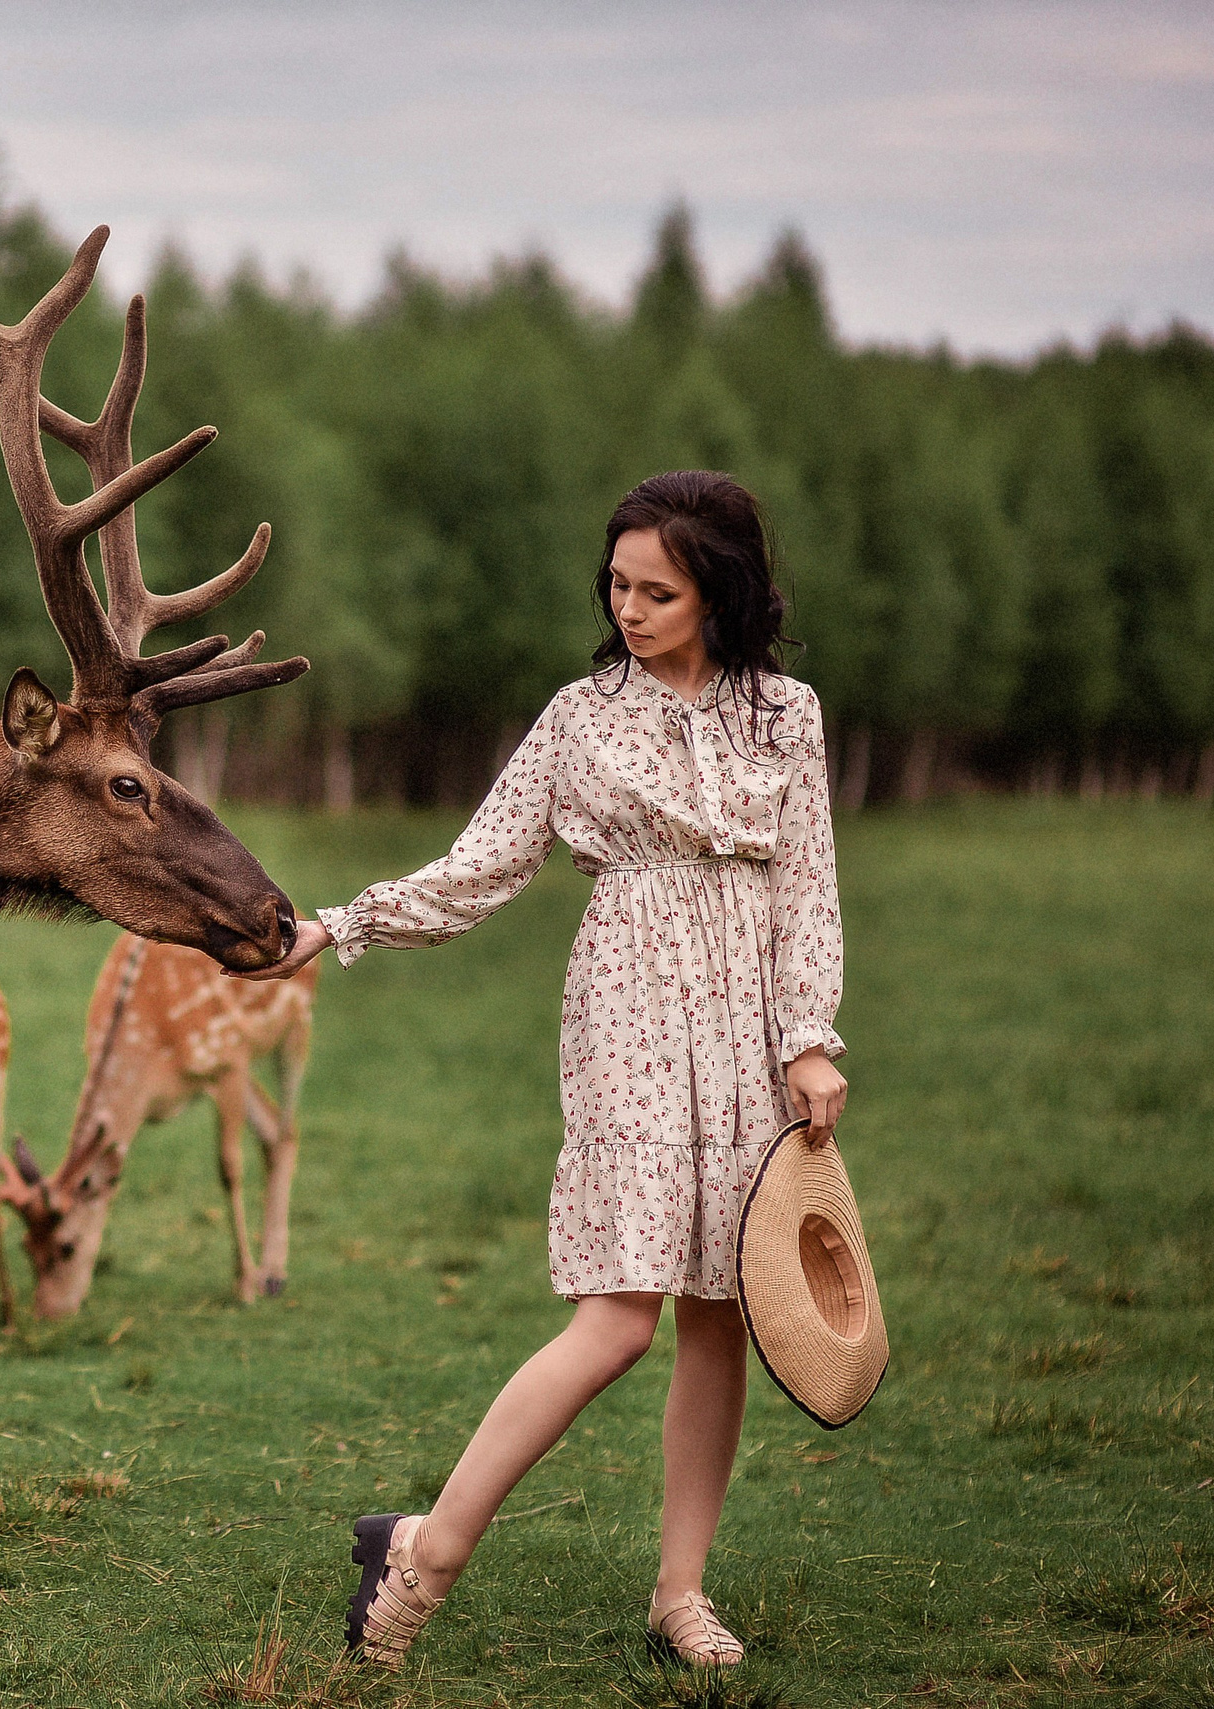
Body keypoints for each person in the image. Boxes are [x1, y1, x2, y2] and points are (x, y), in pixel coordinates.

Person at [236, 469, 849, 1671]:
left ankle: (682, 1592)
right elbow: (481, 865)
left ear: (717, 591)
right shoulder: (579, 717)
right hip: (625, 1010)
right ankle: (421, 1551)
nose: (628, 607)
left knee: (723, 1315)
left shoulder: (789, 714)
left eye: (657, 590)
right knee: (618, 1317)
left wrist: (807, 1034)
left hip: (749, 1032)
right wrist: (339, 923)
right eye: (616, 585)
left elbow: (807, 885)